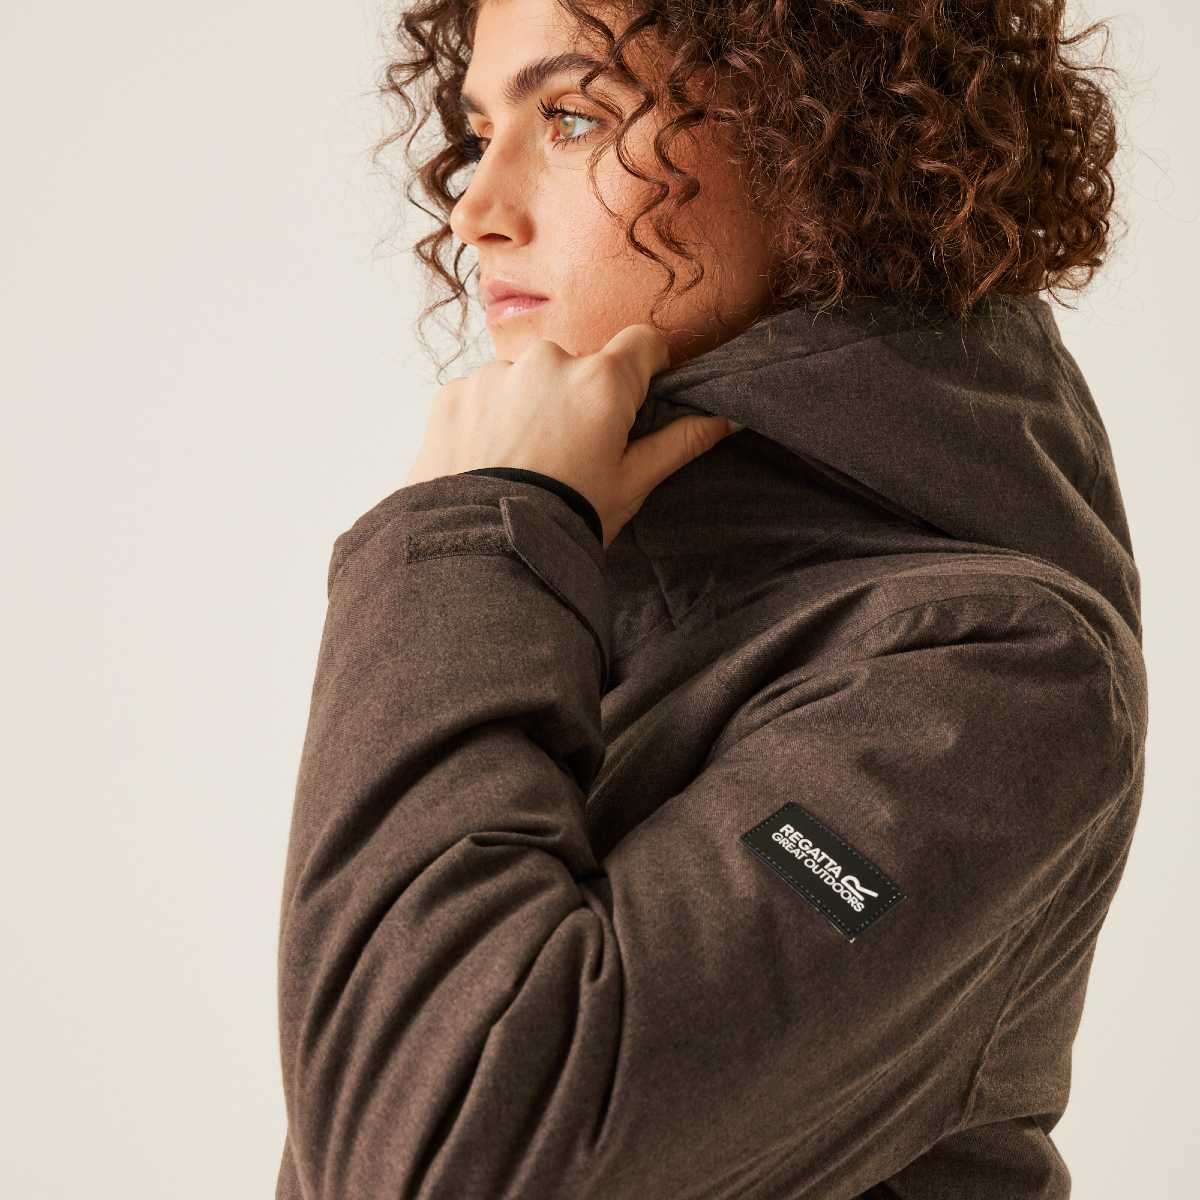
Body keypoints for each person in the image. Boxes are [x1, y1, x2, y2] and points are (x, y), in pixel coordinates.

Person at [274, 0, 1148, 1196]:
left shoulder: (987, 681)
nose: (476, 208)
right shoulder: (603, 578)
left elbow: (446, 1160)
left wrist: (476, 526)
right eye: (479, 133)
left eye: (573, 117)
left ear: (828, 146)